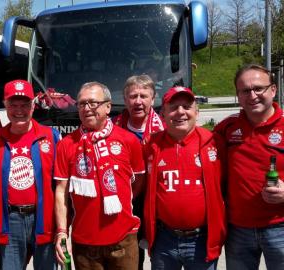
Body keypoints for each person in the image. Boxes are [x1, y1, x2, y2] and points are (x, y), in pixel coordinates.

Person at [54, 81, 145, 270]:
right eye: (81, 103)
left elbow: (137, 184)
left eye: (93, 103)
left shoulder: (129, 140)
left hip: (123, 240)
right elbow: (61, 192)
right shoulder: (66, 144)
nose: (87, 108)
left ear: (108, 106)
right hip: (85, 245)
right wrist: (62, 232)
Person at [143, 86, 226, 270]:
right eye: (173, 107)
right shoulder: (151, 145)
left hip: (201, 239)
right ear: (162, 113)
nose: (180, 112)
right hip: (164, 239)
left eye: (186, 107)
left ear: (197, 112)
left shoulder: (214, 143)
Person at [214, 64, 284, 270]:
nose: (252, 95)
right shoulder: (226, 127)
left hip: (280, 227)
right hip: (238, 229)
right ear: (238, 95)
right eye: (245, 91)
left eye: (258, 88)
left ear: (273, 89)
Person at [0, 79, 60, 270]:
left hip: (44, 218)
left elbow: (61, 185)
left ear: (33, 106)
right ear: (5, 105)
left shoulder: (50, 136)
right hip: (10, 221)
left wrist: (61, 227)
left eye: (25, 104)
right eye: (13, 104)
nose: (19, 110)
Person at [112, 74, 165, 270]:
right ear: (125, 100)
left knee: (160, 257)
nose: (138, 101)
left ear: (153, 98)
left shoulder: (166, 129)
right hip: (126, 201)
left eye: (144, 96)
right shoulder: (111, 127)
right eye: (133, 96)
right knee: (131, 257)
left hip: (156, 200)